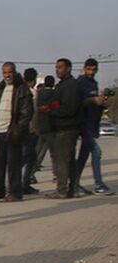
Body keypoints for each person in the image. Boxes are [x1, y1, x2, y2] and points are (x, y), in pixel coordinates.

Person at [0, 62, 33, 202]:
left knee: (13, 164)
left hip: (13, 132)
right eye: (5, 73)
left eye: (9, 72)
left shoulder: (22, 89)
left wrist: (18, 130)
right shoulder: (2, 88)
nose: (7, 75)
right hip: (0, 131)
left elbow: (27, 113)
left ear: (15, 72)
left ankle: (15, 193)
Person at [42, 58, 82, 199]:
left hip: (66, 128)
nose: (57, 70)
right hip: (65, 128)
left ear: (69, 68)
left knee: (62, 160)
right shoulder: (63, 85)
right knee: (68, 160)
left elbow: (68, 108)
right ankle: (73, 189)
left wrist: (51, 111)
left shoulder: (70, 85)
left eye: (60, 67)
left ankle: (62, 190)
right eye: (56, 67)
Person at [73, 58, 112, 195]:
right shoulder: (80, 83)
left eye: (94, 69)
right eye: (89, 69)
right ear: (84, 68)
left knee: (83, 156)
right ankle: (99, 185)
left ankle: (74, 183)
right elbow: (77, 103)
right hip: (84, 124)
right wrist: (92, 100)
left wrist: (101, 103)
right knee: (97, 152)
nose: (91, 72)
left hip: (93, 124)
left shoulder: (93, 83)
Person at [33, 74, 56, 189]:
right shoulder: (54, 94)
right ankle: (56, 174)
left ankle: (31, 172)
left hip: (40, 125)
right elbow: (56, 107)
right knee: (54, 153)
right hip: (51, 126)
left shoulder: (39, 95)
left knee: (37, 150)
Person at [20, 67, 41, 194]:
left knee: (28, 157)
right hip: (30, 130)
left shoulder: (19, 91)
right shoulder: (33, 93)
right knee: (28, 158)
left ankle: (24, 183)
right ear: (33, 80)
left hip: (22, 129)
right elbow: (35, 114)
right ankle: (24, 183)